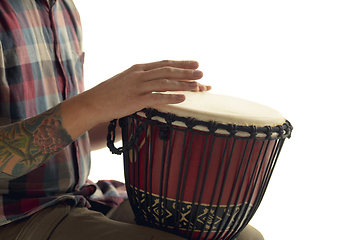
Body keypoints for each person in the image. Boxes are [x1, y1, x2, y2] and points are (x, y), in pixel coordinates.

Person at [0, 0, 264, 239]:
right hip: (16, 214)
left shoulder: (63, 9)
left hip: (80, 195)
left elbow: (67, 137)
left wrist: (137, 111)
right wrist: (94, 103)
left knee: (243, 237)